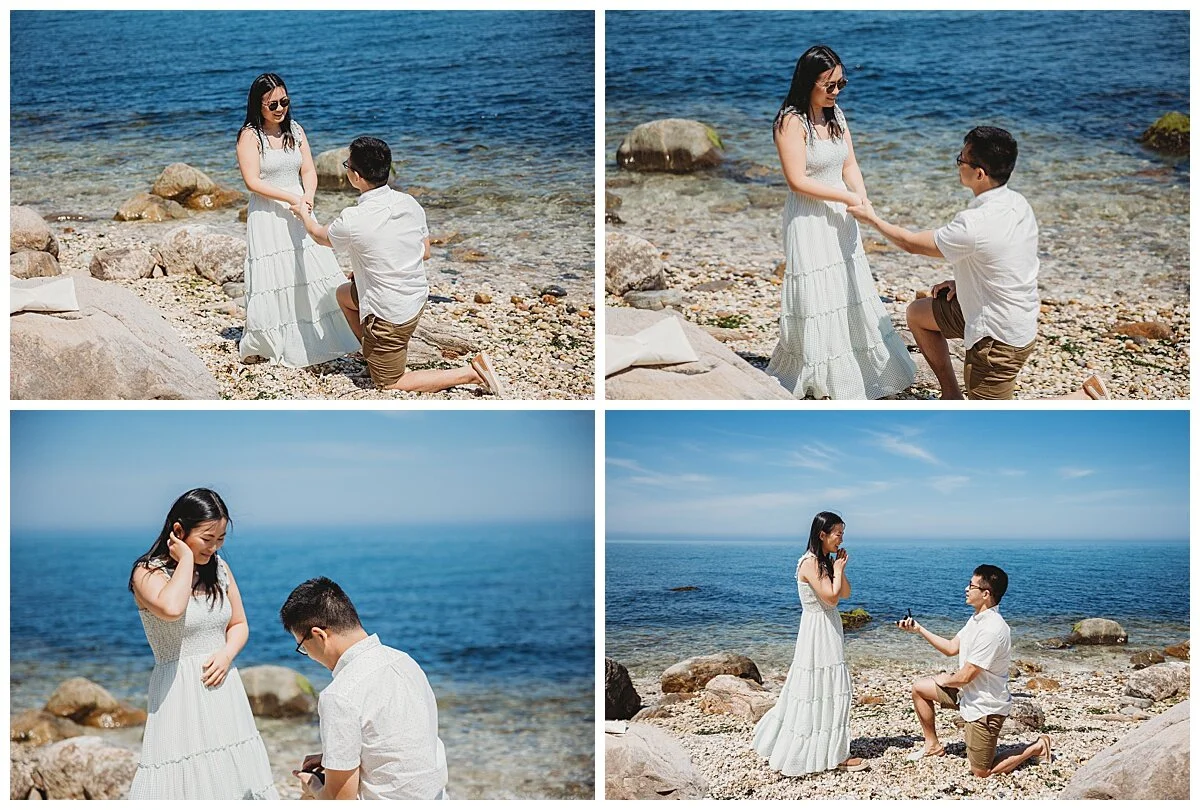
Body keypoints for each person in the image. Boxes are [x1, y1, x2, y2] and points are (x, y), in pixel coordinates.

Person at [848, 127, 1109, 400]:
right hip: (1003, 312)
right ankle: (951, 395)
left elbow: (912, 244)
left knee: (992, 423)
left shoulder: (974, 223)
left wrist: (873, 220)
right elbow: (1006, 260)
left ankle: (1085, 397)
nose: (958, 164)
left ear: (979, 173)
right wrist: (962, 283)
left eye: (961, 160)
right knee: (918, 314)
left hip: (998, 338)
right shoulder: (1017, 203)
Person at [292, 136, 507, 396]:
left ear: (357, 176)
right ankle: (372, 352)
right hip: (415, 299)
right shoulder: (409, 203)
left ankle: (472, 372)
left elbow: (318, 235)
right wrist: (366, 268)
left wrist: (303, 212)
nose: (347, 168)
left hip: (389, 317)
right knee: (342, 295)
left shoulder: (353, 219)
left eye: (348, 165)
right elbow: (424, 252)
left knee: (388, 383)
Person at [764, 45, 917, 399]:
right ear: (807, 83)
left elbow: (849, 164)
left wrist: (862, 196)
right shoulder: (790, 121)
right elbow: (797, 180)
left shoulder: (836, 115)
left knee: (848, 284)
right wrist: (847, 198)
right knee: (819, 291)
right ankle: (820, 369)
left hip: (842, 213)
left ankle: (857, 364)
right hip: (809, 215)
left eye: (841, 84)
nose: (836, 91)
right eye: (829, 85)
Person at [127, 489, 277, 799]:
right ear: (178, 531)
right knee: (181, 779)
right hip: (176, 691)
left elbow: (239, 624)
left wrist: (226, 654)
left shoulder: (220, 569)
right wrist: (184, 560)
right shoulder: (147, 573)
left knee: (232, 775)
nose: (214, 547)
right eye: (207, 538)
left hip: (222, 685)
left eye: (220, 539)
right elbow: (171, 608)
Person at [280, 577, 448, 800]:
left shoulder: (339, 695)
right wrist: (335, 757)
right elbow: (405, 745)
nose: (308, 656)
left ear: (319, 636)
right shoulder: (404, 661)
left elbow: (340, 801)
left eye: (302, 647)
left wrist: (311, 786)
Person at [235, 72, 360, 367]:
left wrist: (308, 197)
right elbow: (252, 182)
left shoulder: (297, 130)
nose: (280, 109)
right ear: (258, 106)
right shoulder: (250, 136)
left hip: (300, 208)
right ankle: (271, 338)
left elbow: (308, 171)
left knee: (313, 266)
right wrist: (290, 198)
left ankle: (323, 332)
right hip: (269, 213)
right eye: (272, 105)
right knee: (275, 274)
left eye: (284, 102)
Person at [897, 565, 1052, 777]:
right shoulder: (977, 619)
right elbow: (951, 647)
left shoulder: (992, 629)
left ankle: (1037, 747)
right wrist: (919, 629)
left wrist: (945, 679)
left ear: (986, 594)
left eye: (971, 586)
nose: (966, 589)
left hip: (985, 707)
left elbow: (966, 676)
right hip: (967, 694)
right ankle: (932, 745)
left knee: (982, 772)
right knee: (919, 688)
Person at [752, 512, 868, 774]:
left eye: (842, 534)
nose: (841, 538)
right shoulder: (810, 563)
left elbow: (845, 592)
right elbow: (831, 598)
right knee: (821, 686)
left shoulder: (823, 562)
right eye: (837, 533)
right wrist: (836, 570)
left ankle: (832, 749)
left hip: (828, 627)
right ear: (822, 535)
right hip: (818, 629)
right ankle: (829, 755)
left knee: (827, 686)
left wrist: (840, 569)